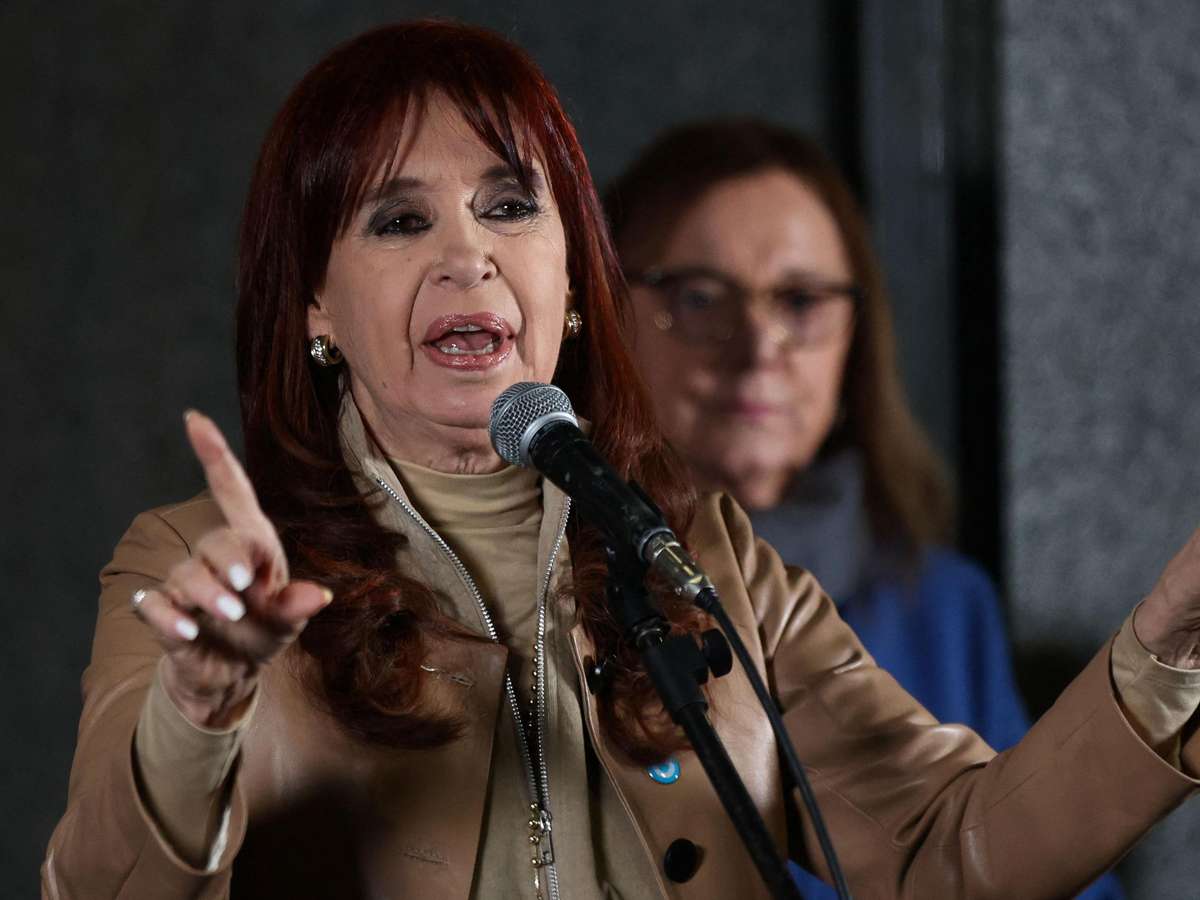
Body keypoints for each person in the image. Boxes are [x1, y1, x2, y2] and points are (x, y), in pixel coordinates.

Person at [42, 20, 1200, 900]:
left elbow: (949, 844)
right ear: (315, 308)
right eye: (399, 220)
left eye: (509, 206)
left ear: (572, 287)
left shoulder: (696, 547)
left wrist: (1164, 663)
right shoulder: (195, 564)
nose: (468, 254)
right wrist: (197, 712)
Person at [603, 120, 1126, 896]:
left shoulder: (945, 606)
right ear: (606, 313)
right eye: (700, 297)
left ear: (856, 336)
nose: (760, 348)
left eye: (801, 301)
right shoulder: (560, 601)